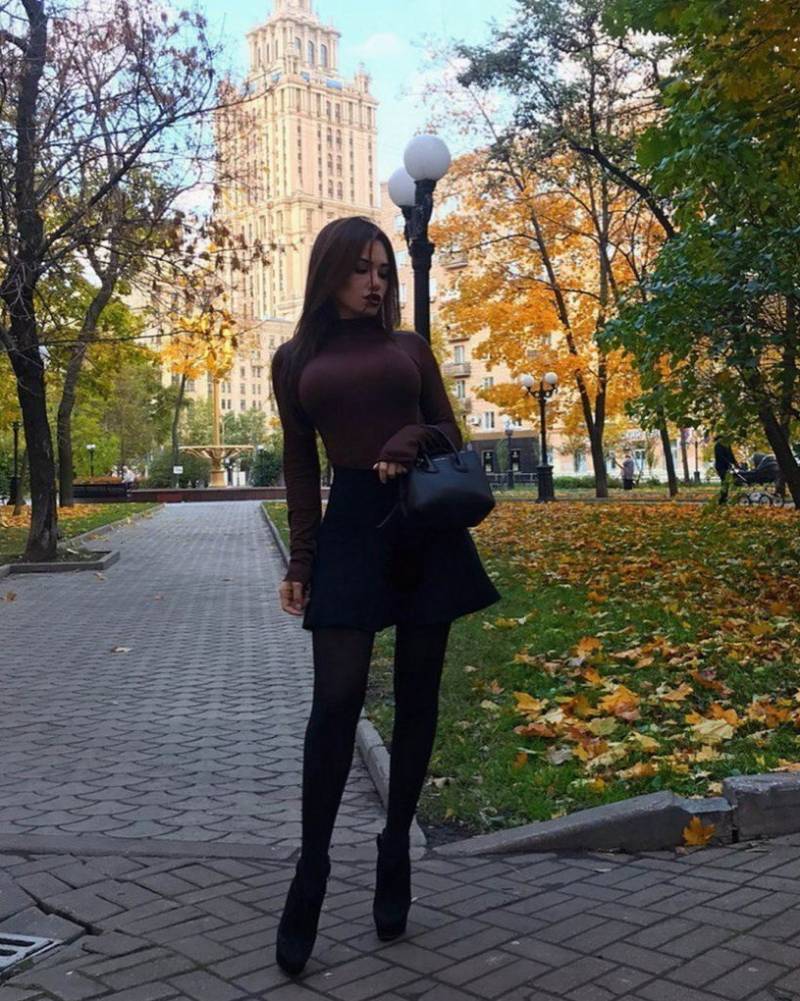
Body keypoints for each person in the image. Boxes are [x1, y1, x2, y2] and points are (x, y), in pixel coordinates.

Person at [270, 216, 501, 976]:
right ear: (329, 272)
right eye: (361, 269)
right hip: (351, 531)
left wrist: (410, 439)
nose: (375, 283)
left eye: (383, 270)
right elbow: (300, 465)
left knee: (417, 696)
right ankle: (311, 869)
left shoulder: (410, 348)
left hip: (422, 527)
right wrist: (301, 559)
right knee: (334, 703)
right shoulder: (294, 359)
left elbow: (449, 431)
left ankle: (395, 843)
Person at [713, 437, 738, 504]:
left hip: (727, 466)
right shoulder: (718, 445)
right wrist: (729, 463)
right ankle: (722, 499)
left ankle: (723, 498)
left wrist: (735, 463)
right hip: (721, 466)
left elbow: (731, 454)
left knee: (726, 482)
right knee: (724, 481)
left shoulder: (727, 445)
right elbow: (720, 456)